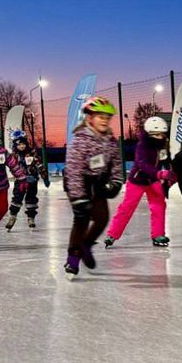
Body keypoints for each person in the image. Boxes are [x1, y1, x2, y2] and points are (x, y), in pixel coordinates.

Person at [63, 97, 122, 274]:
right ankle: (73, 258)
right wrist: (78, 198)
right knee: (81, 220)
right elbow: (73, 170)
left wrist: (116, 181)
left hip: (99, 184)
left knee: (102, 218)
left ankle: (86, 246)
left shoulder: (111, 141)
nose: (104, 119)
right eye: (99, 116)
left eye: (107, 117)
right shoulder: (80, 141)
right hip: (79, 183)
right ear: (89, 119)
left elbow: (117, 163)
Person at [104, 116, 174, 248]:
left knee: (159, 206)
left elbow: (165, 160)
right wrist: (159, 173)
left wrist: (170, 174)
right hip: (138, 180)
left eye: (163, 134)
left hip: (153, 180)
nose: (161, 136)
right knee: (127, 207)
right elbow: (142, 164)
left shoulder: (163, 144)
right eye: (158, 134)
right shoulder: (142, 145)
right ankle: (112, 234)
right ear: (150, 134)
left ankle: (158, 235)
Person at [6, 130, 50, 230]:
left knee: (31, 199)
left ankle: (31, 217)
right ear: (15, 146)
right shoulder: (14, 156)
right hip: (20, 182)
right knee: (17, 198)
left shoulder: (32, 153)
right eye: (19, 144)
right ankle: (13, 216)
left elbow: (39, 164)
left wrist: (45, 177)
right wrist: (19, 177)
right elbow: (12, 168)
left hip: (32, 181)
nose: (21, 146)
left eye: (23, 144)